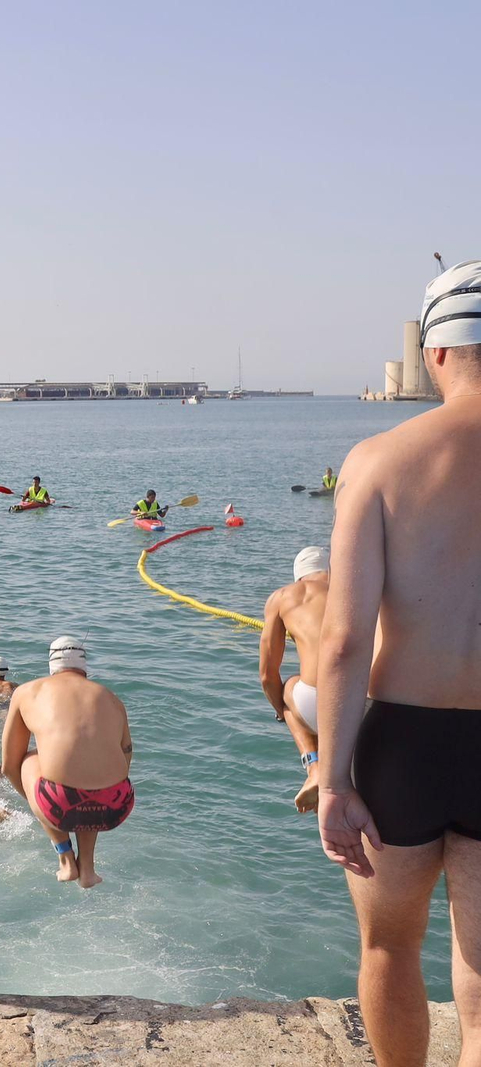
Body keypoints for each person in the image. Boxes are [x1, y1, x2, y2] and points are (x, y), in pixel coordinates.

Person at [312, 260, 481, 1066]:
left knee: (390, 950)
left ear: (437, 352)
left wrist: (335, 776)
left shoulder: (379, 461)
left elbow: (343, 637)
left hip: (402, 743)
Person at [3, 637, 132, 889]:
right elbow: (126, 756)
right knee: (91, 770)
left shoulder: (27, 692)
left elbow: (9, 765)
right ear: (84, 668)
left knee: (30, 759)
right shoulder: (112, 698)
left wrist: (38, 804)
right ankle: (88, 869)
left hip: (57, 804)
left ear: (52, 666)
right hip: (118, 804)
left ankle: (66, 860)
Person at [259, 547, 330, 813]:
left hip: (315, 705)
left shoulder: (283, 596)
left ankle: (314, 767)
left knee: (288, 689)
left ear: (299, 577)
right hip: (374, 704)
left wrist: (283, 713)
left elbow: (267, 676)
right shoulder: (358, 586)